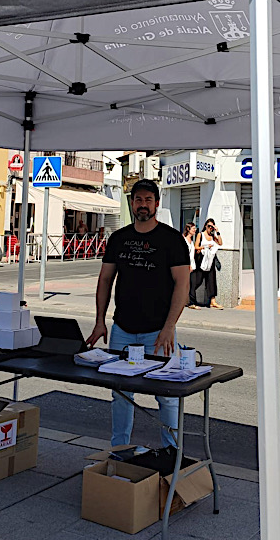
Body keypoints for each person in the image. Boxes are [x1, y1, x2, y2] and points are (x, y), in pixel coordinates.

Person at [88, 179, 191, 448]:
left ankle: (171, 452)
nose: (142, 204)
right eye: (138, 199)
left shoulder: (172, 239)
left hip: (158, 332)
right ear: (131, 203)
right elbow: (105, 280)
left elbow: (183, 284)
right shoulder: (119, 238)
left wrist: (169, 327)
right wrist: (100, 321)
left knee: (166, 395)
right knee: (121, 394)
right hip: (122, 329)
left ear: (157, 203)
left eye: (148, 200)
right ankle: (119, 449)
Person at [194, 218, 223, 309]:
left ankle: (212, 301)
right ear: (205, 226)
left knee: (211, 280)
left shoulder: (212, 236)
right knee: (198, 279)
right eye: (209, 226)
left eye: (212, 227)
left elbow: (220, 243)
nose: (210, 228)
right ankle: (187, 295)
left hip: (210, 260)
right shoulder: (200, 235)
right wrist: (205, 246)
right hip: (202, 259)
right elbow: (196, 246)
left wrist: (217, 232)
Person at [183, 222, 203, 309]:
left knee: (194, 283)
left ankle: (187, 301)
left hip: (192, 265)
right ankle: (191, 303)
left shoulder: (191, 241)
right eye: (193, 228)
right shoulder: (183, 240)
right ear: (188, 229)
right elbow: (183, 254)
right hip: (187, 266)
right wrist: (188, 265)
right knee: (191, 283)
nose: (195, 230)